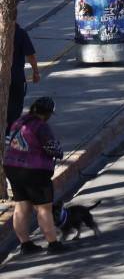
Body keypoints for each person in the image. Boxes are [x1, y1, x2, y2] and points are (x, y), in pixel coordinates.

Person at [5, 97, 66, 256]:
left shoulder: (19, 122)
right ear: (48, 113)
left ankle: (25, 244)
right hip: (35, 171)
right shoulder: (41, 126)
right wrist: (59, 151)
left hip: (12, 168)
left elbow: (9, 142)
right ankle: (53, 243)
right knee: (44, 208)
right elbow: (52, 149)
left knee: (21, 206)